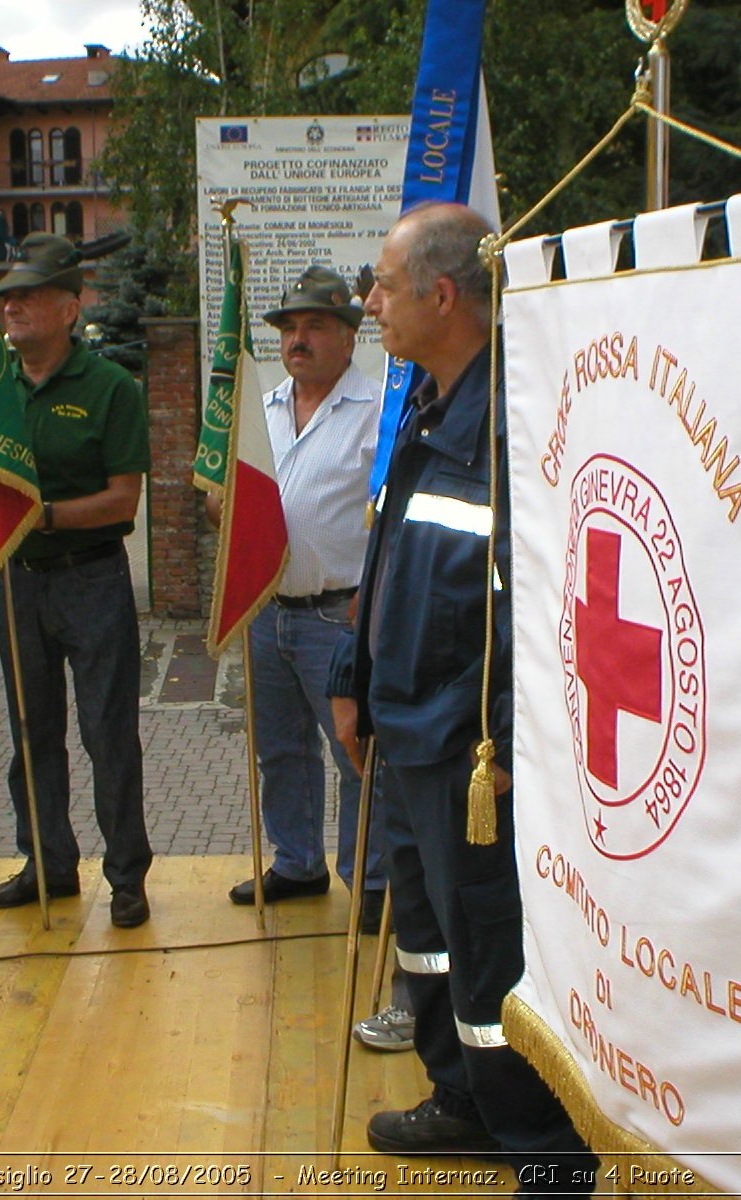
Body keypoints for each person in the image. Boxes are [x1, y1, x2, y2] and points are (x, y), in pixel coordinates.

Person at [329, 203, 597, 1191]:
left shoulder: (515, 426)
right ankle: (461, 1100)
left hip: (467, 755)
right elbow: (394, 563)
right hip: (406, 738)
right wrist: (352, 679)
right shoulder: (435, 406)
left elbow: (537, 614)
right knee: (430, 946)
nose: (370, 305)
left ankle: (543, 1151)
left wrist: (491, 747)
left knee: (489, 957)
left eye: (385, 286)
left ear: (443, 295)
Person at [0, 232, 154, 929]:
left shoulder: (110, 388)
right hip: (19, 583)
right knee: (31, 730)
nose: (13, 305)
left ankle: (126, 877)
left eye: (29, 294)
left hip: (92, 581)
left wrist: (42, 516)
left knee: (107, 733)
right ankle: (47, 863)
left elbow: (122, 500)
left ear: (70, 307)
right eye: (7, 296)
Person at [215, 265, 388, 927]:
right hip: (268, 611)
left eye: (315, 325)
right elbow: (231, 505)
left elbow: (390, 518)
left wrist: (373, 601)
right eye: (289, 327)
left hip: (340, 615)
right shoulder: (259, 411)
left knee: (354, 752)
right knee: (279, 750)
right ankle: (296, 863)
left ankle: (367, 880)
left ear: (349, 337)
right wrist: (218, 506)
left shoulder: (376, 412)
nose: (299, 339)